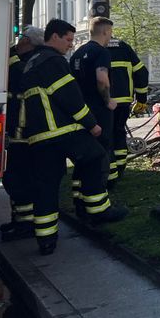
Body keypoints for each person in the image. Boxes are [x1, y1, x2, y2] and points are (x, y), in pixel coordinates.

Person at [21, 19, 126, 255]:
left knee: (46, 185)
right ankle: (98, 210)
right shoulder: (53, 61)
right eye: (68, 40)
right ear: (54, 36)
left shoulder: (31, 63)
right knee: (96, 155)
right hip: (61, 130)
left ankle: (46, 239)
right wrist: (92, 125)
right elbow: (70, 97)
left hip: (38, 136)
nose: (70, 45)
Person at [0, 25, 45, 242]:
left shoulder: (24, 63)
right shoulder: (25, 59)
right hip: (17, 132)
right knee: (14, 178)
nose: (17, 41)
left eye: (20, 38)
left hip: (22, 134)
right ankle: (19, 219)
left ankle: (25, 223)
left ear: (27, 41)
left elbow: (14, 71)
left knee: (19, 179)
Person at [71, 17, 118, 187]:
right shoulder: (101, 52)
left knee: (85, 151)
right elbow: (101, 78)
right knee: (102, 149)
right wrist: (108, 100)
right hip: (99, 109)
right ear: (105, 31)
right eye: (110, 33)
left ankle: (79, 189)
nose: (110, 37)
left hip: (82, 110)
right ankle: (99, 186)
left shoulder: (77, 53)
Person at [107, 37, 149, 183]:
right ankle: (120, 167)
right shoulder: (124, 47)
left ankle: (110, 172)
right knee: (119, 132)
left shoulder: (92, 49)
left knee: (107, 135)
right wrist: (142, 98)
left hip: (102, 102)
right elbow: (141, 72)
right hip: (124, 100)